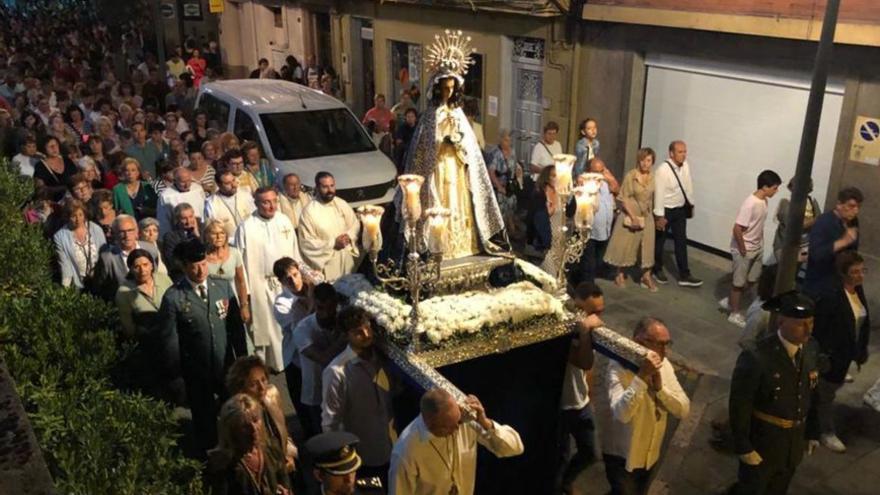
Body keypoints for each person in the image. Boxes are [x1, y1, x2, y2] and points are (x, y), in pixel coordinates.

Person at [399, 33, 508, 258]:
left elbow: (472, 152)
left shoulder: (458, 114)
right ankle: (439, 246)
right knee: (441, 202)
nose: (448, 92)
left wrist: (458, 144)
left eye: (451, 88)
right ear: (438, 88)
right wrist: (441, 141)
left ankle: (464, 245)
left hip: (457, 168)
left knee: (460, 203)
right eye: (445, 88)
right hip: (437, 169)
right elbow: (422, 149)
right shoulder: (430, 116)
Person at [159, 238, 248, 455]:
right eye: (193, 266)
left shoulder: (222, 286)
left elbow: (236, 328)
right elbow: (170, 341)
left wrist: (243, 362)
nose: (200, 270)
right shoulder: (174, 297)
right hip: (197, 371)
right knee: (205, 421)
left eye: (203, 264)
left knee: (236, 415)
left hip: (226, 367)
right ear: (184, 266)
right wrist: (177, 377)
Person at [729, 291, 821, 495]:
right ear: (781, 321)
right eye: (800, 324)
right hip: (763, 443)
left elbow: (813, 393)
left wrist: (813, 432)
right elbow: (740, 404)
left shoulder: (811, 349)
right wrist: (743, 446)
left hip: (793, 444)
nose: (807, 330)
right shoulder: (758, 356)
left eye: (811, 323)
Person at [603, 317, 690, 495]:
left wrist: (660, 390)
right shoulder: (617, 367)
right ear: (638, 342)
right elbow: (622, 414)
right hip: (624, 456)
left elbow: (683, 409)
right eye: (659, 344)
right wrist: (642, 377)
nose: (665, 352)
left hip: (651, 454)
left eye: (667, 344)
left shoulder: (663, 365)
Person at [389, 388, 524, 495]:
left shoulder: (464, 420)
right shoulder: (406, 450)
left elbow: (514, 448)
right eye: (448, 426)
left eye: (457, 422)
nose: (456, 429)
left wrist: (485, 422)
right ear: (430, 423)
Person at [322, 306, 395, 486]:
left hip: (390, 447)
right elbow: (330, 423)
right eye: (358, 332)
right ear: (346, 335)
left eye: (367, 327)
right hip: (362, 457)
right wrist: (343, 461)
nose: (366, 334)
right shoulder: (336, 372)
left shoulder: (380, 357)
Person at [233, 187, 300, 371]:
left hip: (286, 283)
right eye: (265, 202)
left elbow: (295, 253)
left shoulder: (284, 220)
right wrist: (244, 297)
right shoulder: (246, 227)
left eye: (274, 201)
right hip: (261, 285)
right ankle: (270, 364)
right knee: (266, 327)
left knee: (287, 322)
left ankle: (289, 360)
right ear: (256, 203)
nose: (271, 206)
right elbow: (240, 264)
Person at [811, 251, 869, 453]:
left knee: (825, 393)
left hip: (845, 355)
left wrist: (860, 351)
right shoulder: (832, 296)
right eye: (855, 272)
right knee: (825, 395)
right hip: (832, 356)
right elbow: (820, 328)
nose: (860, 276)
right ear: (843, 274)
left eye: (862, 270)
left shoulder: (857, 291)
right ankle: (823, 431)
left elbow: (862, 322)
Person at [557, 282, 604, 493]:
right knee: (560, 456)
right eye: (592, 312)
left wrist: (590, 397)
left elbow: (588, 369)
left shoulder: (588, 328)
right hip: (561, 406)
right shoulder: (564, 328)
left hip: (581, 402)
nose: (598, 317)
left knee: (590, 453)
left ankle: (566, 481)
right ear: (578, 306)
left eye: (600, 312)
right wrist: (584, 333)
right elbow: (583, 362)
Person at [720, 170, 782, 328]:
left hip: (756, 247)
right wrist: (742, 249)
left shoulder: (764, 202)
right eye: (774, 188)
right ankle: (733, 312)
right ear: (765, 187)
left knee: (752, 279)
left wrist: (760, 243)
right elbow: (737, 228)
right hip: (745, 248)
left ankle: (730, 300)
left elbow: (758, 225)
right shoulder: (751, 203)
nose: (776, 191)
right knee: (738, 283)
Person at [115, 248, 173, 396]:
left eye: (146, 265)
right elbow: (127, 325)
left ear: (152, 265)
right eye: (137, 266)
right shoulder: (124, 292)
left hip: (171, 338)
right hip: (147, 343)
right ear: (131, 269)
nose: (142, 270)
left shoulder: (164, 279)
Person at [225, 356, 298, 474]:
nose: (262, 388)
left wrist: (289, 455)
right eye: (254, 384)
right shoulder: (237, 414)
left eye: (264, 380)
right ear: (240, 389)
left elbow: (284, 430)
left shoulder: (272, 394)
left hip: (283, 466)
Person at [292, 282, 346, 439]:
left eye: (331, 308)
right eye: (322, 308)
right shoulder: (302, 330)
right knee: (325, 439)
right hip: (317, 394)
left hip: (341, 391)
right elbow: (323, 359)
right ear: (315, 305)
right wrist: (342, 339)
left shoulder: (339, 322)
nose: (327, 314)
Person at [210, 394, 292, 495]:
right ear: (233, 430)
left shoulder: (271, 447)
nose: (253, 429)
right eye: (245, 425)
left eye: (255, 420)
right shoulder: (224, 465)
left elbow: (284, 481)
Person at [605, 148, 656, 290]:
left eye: (648, 161)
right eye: (643, 160)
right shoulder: (631, 176)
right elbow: (624, 198)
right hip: (631, 212)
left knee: (647, 246)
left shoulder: (653, 177)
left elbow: (653, 197)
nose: (645, 164)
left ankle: (646, 276)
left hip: (647, 214)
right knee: (625, 245)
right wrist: (632, 217)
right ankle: (620, 273)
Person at [652, 140, 702, 287]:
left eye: (685, 151)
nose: (683, 155)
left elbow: (688, 186)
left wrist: (691, 204)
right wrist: (659, 216)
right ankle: (657, 269)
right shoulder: (663, 170)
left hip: (680, 209)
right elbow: (659, 193)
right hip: (666, 209)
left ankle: (684, 274)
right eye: (680, 152)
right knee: (659, 241)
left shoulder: (685, 166)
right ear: (671, 153)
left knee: (681, 241)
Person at [272, 257, 313, 435]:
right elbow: (303, 326)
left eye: (296, 275)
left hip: (316, 359)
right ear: (281, 282)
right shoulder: (281, 304)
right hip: (296, 360)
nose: (294, 281)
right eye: (288, 279)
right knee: (304, 407)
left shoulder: (312, 288)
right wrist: (312, 300)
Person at [298, 172, 361, 282]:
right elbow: (306, 242)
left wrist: (348, 236)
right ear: (317, 188)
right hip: (327, 264)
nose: (330, 190)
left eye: (332, 186)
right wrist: (333, 243)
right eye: (325, 187)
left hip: (345, 259)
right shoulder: (309, 212)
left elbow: (354, 224)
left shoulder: (341, 204)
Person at [803, 187, 863, 298]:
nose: (856, 211)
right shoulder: (824, 222)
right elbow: (815, 254)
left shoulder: (853, 222)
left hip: (841, 284)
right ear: (839, 204)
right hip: (821, 285)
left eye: (858, 207)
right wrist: (842, 242)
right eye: (851, 206)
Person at [93, 214, 160, 301]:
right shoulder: (108, 258)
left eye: (130, 230)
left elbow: (154, 273)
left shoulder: (150, 249)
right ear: (115, 234)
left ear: (136, 231)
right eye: (122, 232)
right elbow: (101, 287)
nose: (127, 235)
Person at [571, 158, 616, 284]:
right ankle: (586, 290)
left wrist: (610, 178)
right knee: (588, 266)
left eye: (602, 171)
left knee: (597, 262)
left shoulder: (605, 182)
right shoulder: (584, 182)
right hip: (589, 231)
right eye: (596, 172)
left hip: (604, 230)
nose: (599, 175)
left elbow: (616, 189)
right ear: (588, 171)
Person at [204, 219, 251, 324]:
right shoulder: (202, 256)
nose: (219, 237)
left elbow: (241, 281)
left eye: (222, 233)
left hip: (232, 299)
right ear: (207, 235)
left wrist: (244, 305)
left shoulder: (234, 253)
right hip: (210, 300)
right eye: (214, 233)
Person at [53, 199, 106, 290]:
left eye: (80, 215)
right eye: (73, 216)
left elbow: (105, 254)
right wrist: (66, 289)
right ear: (67, 217)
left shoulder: (96, 229)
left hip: (100, 279)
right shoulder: (60, 236)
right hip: (79, 282)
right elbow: (65, 264)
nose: (78, 219)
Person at [773, 178, 822, 264]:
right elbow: (795, 225)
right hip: (785, 246)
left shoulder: (811, 201)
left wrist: (810, 221)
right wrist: (812, 221)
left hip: (804, 245)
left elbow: (820, 220)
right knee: (784, 272)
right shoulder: (786, 202)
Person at [486, 128, 519, 237]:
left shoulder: (512, 151)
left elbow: (515, 165)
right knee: (501, 211)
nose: (508, 142)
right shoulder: (495, 153)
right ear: (500, 140)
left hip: (510, 184)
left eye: (509, 140)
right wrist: (499, 186)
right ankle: (501, 234)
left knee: (511, 207)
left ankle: (511, 230)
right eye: (505, 140)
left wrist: (518, 171)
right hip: (499, 186)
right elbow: (491, 172)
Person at [205, 167, 256, 238]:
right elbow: (210, 229)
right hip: (229, 242)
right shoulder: (211, 203)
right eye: (227, 183)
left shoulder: (245, 193)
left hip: (252, 237)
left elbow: (255, 216)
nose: (234, 185)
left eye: (233, 180)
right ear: (219, 185)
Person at [156, 166, 206, 236]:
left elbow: (204, 211)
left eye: (189, 180)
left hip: (201, 231)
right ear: (175, 181)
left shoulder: (198, 189)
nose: (187, 185)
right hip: (179, 235)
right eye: (183, 182)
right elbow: (164, 221)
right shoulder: (166, 196)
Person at [162, 202, 201, 281]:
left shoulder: (202, 232)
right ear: (177, 220)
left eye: (191, 217)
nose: (188, 221)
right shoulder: (170, 237)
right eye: (184, 218)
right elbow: (172, 261)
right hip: (182, 276)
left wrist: (197, 235)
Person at [33, 136, 78, 201]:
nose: (54, 148)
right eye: (50, 146)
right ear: (44, 149)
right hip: (55, 202)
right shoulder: (40, 166)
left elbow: (76, 178)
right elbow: (40, 189)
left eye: (56, 145)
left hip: (73, 198)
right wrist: (59, 189)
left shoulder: (67, 160)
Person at [392, 107, 418, 174]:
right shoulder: (402, 128)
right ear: (405, 118)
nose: (410, 118)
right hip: (405, 149)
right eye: (408, 117)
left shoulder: (419, 128)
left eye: (412, 116)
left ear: (415, 118)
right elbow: (398, 141)